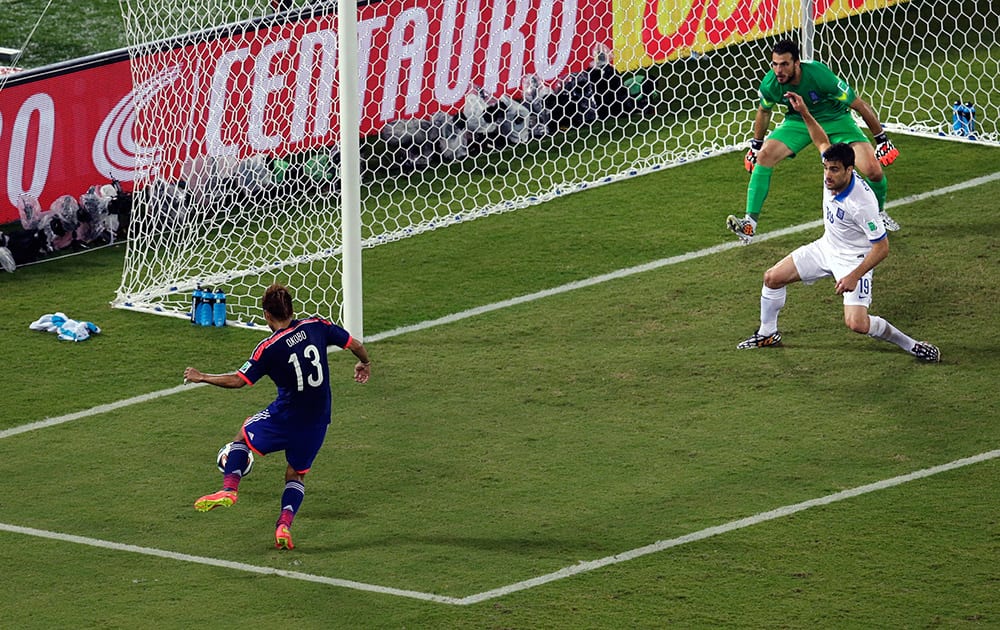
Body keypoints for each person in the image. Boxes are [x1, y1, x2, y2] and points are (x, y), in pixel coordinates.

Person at [736, 91, 940, 363]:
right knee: (772, 278)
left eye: (834, 170)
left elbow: (881, 248)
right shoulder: (832, 168)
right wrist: (805, 112)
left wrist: (854, 275)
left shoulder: (861, 203)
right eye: (826, 169)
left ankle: (912, 345)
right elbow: (820, 139)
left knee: (857, 323)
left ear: (849, 170)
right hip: (826, 248)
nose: (828, 176)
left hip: (854, 260)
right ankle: (767, 333)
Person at [184, 283, 372, 549]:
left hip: (285, 417)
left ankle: (229, 489)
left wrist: (202, 376)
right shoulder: (316, 325)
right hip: (317, 422)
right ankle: (283, 525)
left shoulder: (269, 348)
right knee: (296, 475)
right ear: (292, 308)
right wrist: (365, 363)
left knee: (243, 435)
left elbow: (239, 381)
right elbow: (355, 344)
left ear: (266, 316)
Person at [727, 39, 900, 244]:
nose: (778, 70)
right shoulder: (771, 83)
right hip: (798, 121)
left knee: (873, 170)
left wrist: (881, 140)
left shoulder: (819, 75)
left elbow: (858, 104)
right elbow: (764, 111)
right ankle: (749, 225)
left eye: (784, 64)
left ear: (797, 63)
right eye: (774, 64)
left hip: (836, 120)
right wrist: (755, 146)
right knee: (764, 156)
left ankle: (878, 214)